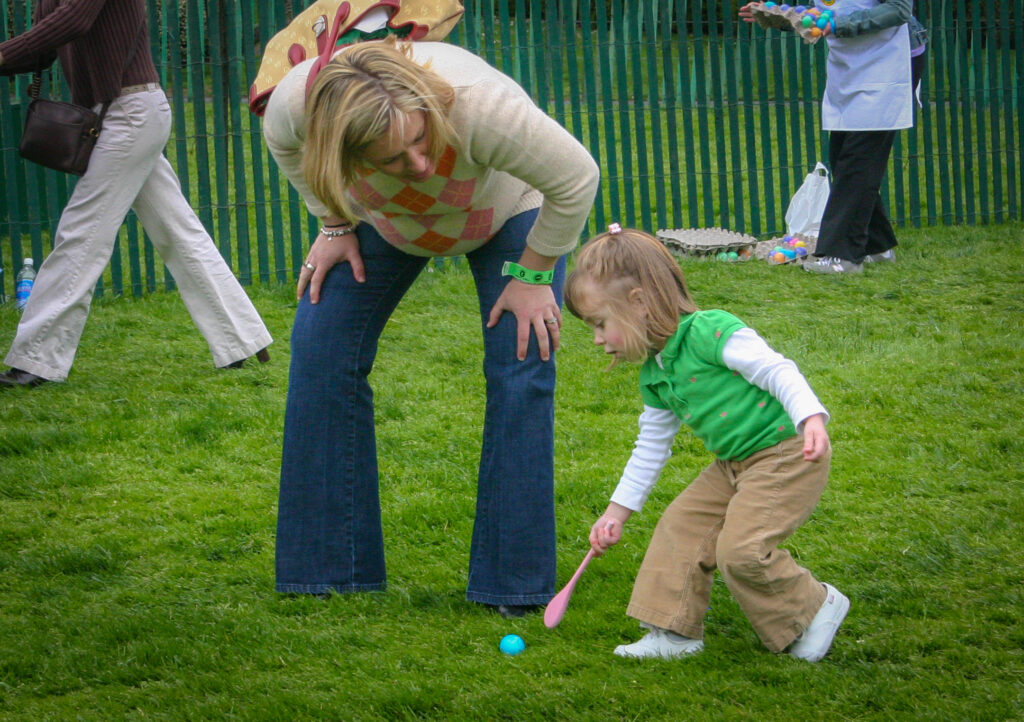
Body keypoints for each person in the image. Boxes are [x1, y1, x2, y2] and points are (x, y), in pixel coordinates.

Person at [262, 35, 599, 615]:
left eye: (420, 139)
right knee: (320, 344)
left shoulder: (478, 105)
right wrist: (335, 224)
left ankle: (513, 585)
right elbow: (288, 150)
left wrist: (535, 273)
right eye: (392, 159)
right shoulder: (297, 106)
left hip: (507, 212)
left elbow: (575, 179)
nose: (417, 164)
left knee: (522, 359)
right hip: (391, 223)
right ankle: (329, 570)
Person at [563, 225, 847, 661]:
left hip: (786, 453)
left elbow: (777, 370)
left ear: (638, 304)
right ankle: (674, 634)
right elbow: (650, 448)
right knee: (680, 527)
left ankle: (814, 606)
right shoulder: (655, 375)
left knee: (742, 551)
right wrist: (615, 513)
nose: (598, 339)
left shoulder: (709, 332)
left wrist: (811, 417)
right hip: (733, 465)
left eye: (600, 324)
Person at [0, 0, 272, 389]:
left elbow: (74, 21)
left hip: (130, 112)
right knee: (178, 231)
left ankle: (37, 359)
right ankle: (241, 338)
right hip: (115, 114)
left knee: (81, 232)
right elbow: (45, 48)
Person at [740, 0, 926, 274]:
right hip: (851, 65)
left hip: (889, 62)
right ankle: (877, 246)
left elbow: (899, 10)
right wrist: (783, 16)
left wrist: (839, 24)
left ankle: (843, 256)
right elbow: (817, 13)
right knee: (842, 159)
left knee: (857, 160)